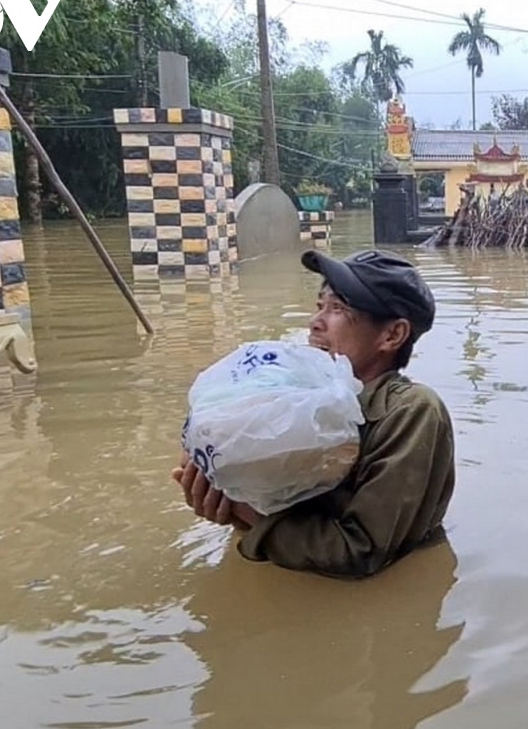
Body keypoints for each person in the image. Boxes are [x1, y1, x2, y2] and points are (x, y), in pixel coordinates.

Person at [171, 248, 456, 579]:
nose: (315, 322)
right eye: (319, 306)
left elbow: (359, 553)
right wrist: (223, 487)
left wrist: (245, 513)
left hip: (353, 611)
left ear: (392, 335)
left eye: (338, 309)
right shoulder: (295, 398)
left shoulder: (412, 411)